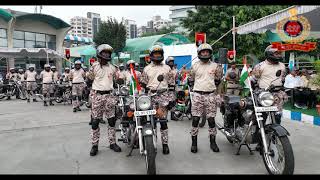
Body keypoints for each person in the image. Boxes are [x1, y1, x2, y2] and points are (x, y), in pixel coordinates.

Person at [181, 43, 223, 153]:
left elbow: (218, 81)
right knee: (195, 119)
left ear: (210, 53)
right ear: (199, 53)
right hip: (197, 95)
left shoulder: (216, 66)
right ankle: (194, 143)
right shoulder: (194, 66)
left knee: (211, 120)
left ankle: (213, 142)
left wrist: (215, 93)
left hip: (210, 95)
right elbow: (191, 80)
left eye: (207, 52)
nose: (205, 53)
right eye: (203, 52)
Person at [140, 45, 176, 155]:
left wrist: (172, 98)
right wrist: (142, 97)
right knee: (152, 122)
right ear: (151, 55)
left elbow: (171, 84)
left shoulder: (167, 68)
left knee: (163, 122)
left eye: (159, 54)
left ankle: (165, 144)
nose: (157, 56)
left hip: (164, 95)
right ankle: (152, 144)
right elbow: (143, 85)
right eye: (155, 54)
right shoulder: (147, 69)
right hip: (151, 96)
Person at [86, 44, 121, 156]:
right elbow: (89, 80)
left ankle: (112, 143)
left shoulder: (113, 67)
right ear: (99, 54)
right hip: (97, 96)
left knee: (111, 121)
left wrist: (120, 80)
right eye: (104, 53)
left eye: (108, 53)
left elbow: (117, 80)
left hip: (109, 96)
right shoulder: (94, 66)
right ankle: (94, 145)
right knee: (95, 122)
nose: (106, 55)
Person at [251, 45, 287, 125]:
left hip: (278, 94)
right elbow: (253, 81)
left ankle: (275, 135)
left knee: (277, 117)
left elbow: (282, 79)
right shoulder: (260, 66)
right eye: (276, 53)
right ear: (269, 54)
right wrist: (255, 93)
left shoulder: (282, 65)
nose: (279, 55)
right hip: (264, 94)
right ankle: (258, 135)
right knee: (261, 118)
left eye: (279, 53)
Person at [165, 56, 178, 121]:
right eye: (170, 62)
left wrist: (178, 74)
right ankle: (165, 117)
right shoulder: (164, 69)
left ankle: (173, 116)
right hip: (166, 89)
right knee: (166, 103)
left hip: (173, 88)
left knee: (173, 103)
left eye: (172, 62)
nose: (171, 63)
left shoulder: (175, 70)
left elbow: (177, 78)